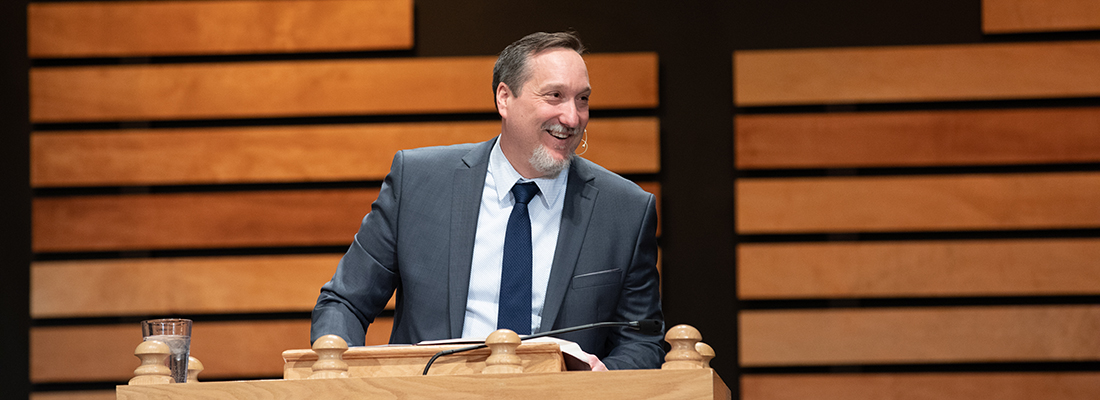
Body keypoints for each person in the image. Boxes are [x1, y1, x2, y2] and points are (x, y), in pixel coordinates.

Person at [311, 31, 664, 370]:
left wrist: (597, 382)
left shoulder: (625, 210)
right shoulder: (417, 182)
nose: (572, 118)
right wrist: (338, 379)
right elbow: (345, 302)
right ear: (504, 99)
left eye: (582, 99)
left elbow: (642, 341)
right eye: (554, 96)